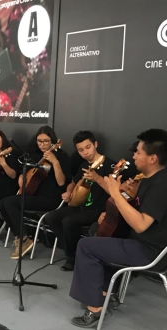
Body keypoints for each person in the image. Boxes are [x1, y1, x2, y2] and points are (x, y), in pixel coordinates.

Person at [69, 128, 167, 328]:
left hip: (150, 252)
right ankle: (105, 293)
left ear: (152, 158)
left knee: (86, 246)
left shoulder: (160, 185)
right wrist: (122, 201)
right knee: (101, 237)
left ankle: (95, 309)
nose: (134, 156)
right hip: (141, 243)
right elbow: (141, 212)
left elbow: (140, 225)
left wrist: (114, 192)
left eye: (138, 152)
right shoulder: (150, 180)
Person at [45, 131, 115, 271]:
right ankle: (73, 251)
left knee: (69, 222)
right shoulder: (83, 164)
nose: (85, 152)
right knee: (50, 217)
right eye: (81, 150)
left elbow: (115, 193)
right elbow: (73, 182)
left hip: (98, 210)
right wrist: (69, 191)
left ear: (95, 144)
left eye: (88, 147)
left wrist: (98, 179)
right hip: (79, 205)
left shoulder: (110, 165)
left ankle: (72, 258)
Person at [0, 126, 71, 259]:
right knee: (1, 203)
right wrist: (22, 176)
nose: (42, 144)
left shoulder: (61, 156)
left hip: (51, 199)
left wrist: (55, 162)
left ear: (53, 141)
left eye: (46, 141)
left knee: (9, 202)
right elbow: (27, 171)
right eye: (39, 141)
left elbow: (61, 182)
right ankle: (19, 236)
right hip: (34, 195)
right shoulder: (36, 155)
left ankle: (23, 239)